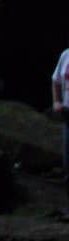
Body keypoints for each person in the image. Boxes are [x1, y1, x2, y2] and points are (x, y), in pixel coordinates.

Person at [53, 43, 69, 209]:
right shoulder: (66, 55)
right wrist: (57, 101)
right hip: (68, 114)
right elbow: (56, 80)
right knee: (68, 163)